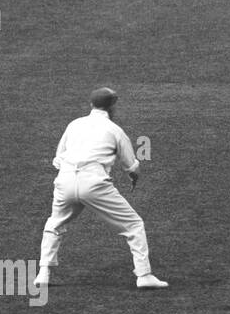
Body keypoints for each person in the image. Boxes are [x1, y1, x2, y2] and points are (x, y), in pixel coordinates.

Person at [35, 88, 168, 290]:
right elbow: (131, 166)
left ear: (91, 105)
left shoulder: (74, 125)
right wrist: (134, 178)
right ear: (112, 107)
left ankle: (43, 273)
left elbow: (58, 157)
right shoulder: (115, 130)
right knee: (134, 225)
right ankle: (144, 275)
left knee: (54, 224)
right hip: (95, 182)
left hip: (65, 180)